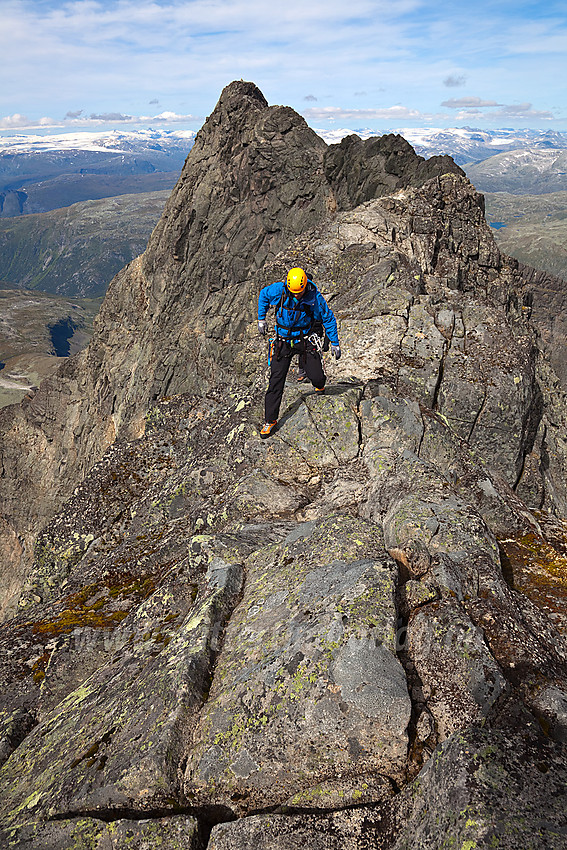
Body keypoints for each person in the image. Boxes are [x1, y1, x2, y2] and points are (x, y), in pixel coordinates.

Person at [257, 267, 341, 438]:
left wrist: (335, 343)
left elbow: (328, 318)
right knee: (275, 380)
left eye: (299, 292)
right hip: (283, 340)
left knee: (316, 376)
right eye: (293, 292)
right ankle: (270, 420)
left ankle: (319, 384)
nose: (296, 295)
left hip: (305, 339)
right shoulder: (279, 290)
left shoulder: (314, 297)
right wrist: (261, 318)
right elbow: (264, 295)